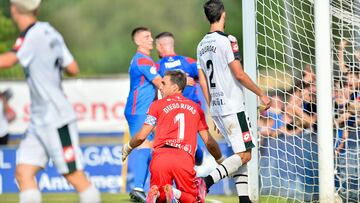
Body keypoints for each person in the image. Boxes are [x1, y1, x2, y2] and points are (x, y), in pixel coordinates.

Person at [0, 1, 101, 203]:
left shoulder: (30, 35)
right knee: (24, 172)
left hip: (56, 119)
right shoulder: (51, 32)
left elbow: (8, 61)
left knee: (74, 176)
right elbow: (73, 68)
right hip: (39, 120)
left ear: (14, 10)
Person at [196, 1, 271, 202]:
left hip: (218, 107)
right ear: (223, 14)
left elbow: (203, 81)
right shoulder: (228, 40)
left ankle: (244, 200)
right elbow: (239, 74)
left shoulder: (201, 45)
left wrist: (212, 108)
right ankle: (206, 181)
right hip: (233, 106)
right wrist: (261, 93)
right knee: (246, 155)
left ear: (206, 17)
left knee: (240, 155)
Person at [122, 70, 223, 203]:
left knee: (160, 197)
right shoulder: (196, 108)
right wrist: (220, 159)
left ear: (175, 87)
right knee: (195, 199)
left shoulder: (156, 105)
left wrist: (128, 147)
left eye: (164, 83)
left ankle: (157, 195)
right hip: (183, 158)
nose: (160, 86)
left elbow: (141, 136)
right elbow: (208, 141)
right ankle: (175, 192)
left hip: (160, 158)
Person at [155, 31, 205, 166]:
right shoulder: (189, 62)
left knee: (174, 144)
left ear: (160, 46)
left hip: (171, 110)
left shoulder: (157, 66)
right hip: (193, 108)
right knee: (191, 141)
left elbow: (157, 86)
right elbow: (204, 79)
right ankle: (196, 153)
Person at [124, 26, 162, 202]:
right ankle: (138, 187)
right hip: (138, 110)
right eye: (147, 37)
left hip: (147, 110)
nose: (151, 39)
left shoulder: (145, 60)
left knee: (157, 148)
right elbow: (160, 82)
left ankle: (152, 187)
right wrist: (182, 82)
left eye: (151, 36)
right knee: (144, 147)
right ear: (138, 41)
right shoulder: (143, 60)